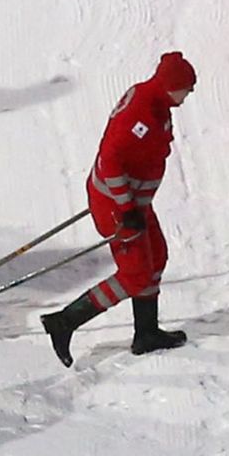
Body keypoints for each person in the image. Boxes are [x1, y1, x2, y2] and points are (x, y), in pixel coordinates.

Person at [41, 52, 197, 367]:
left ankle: (146, 333)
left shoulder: (155, 101)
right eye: (186, 88)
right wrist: (125, 208)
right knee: (135, 274)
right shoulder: (141, 114)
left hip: (135, 202)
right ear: (171, 86)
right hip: (117, 206)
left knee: (156, 257)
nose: (189, 93)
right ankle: (64, 322)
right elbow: (110, 160)